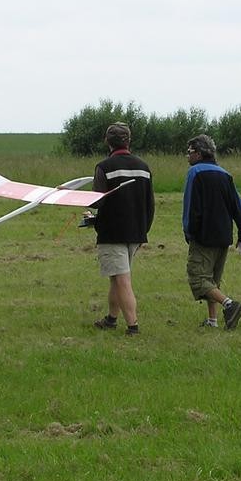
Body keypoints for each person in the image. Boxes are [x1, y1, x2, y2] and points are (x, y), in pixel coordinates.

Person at [90, 122, 154, 335]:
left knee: (122, 280)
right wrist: (144, 231)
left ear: (107, 141)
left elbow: (97, 201)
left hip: (112, 234)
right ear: (129, 141)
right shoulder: (144, 167)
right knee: (116, 278)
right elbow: (150, 203)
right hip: (136, 232)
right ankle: (111, 319)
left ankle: (133, 327)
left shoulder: (104, 167)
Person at [182, 134, 241, 330]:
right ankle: (212, 321)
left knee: (198, 278)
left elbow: (190, 206)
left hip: (203, 237)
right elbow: (238, 208)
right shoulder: (225, 174)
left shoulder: (195, 172)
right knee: (213, 281)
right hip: (224, 237)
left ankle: (230, 305)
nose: (187, 156)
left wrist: (189, 232)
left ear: (199, 153)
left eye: (189, 152)